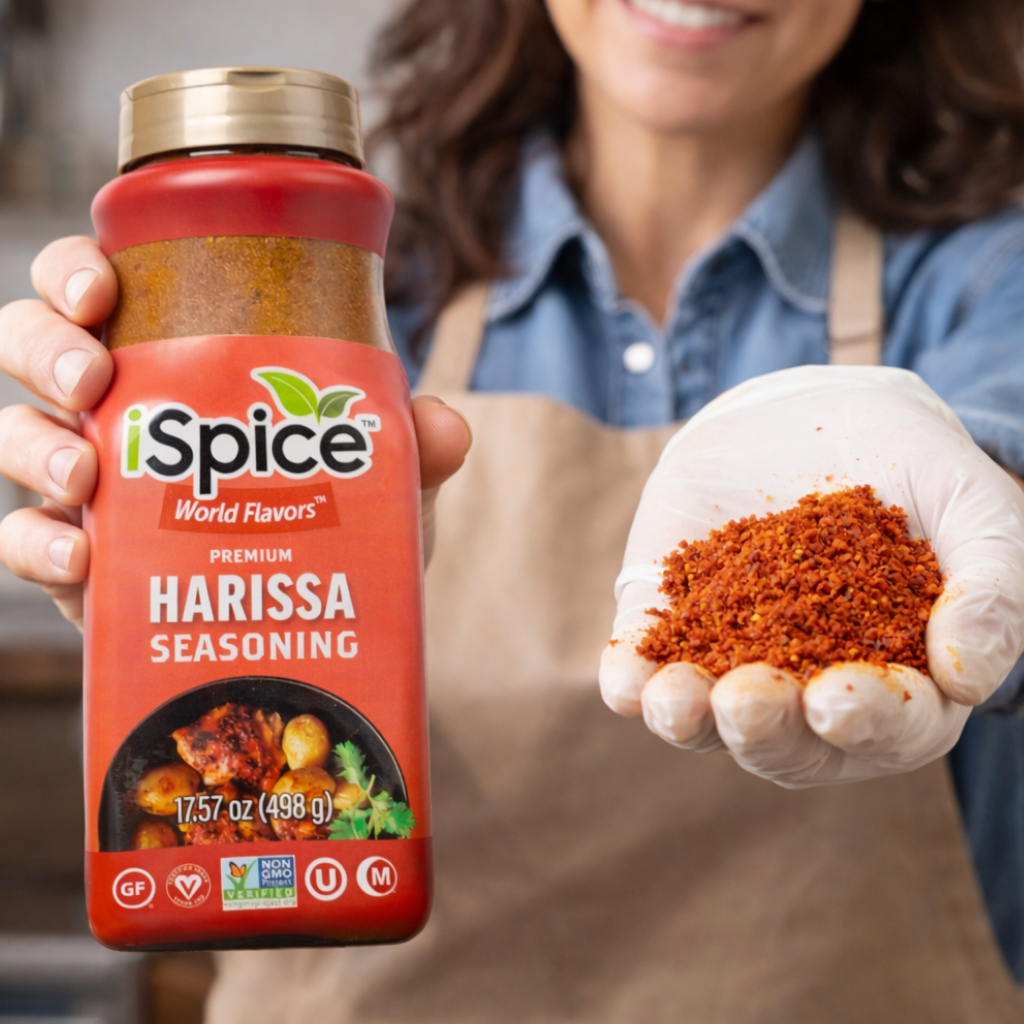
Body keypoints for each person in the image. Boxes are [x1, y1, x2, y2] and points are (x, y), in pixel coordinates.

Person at [3, 0, 1024, 1019]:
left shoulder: (989, 276)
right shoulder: (347, 285)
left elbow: (1000, 444)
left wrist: (990, 517)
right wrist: (151, 596)